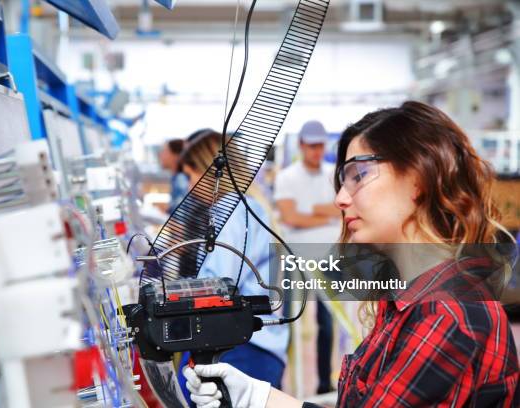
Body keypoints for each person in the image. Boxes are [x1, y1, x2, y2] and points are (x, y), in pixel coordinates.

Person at [183, 101, 519, 407]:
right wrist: (260, 397)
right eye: (343, 181)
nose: (341, 199)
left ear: (419, 178)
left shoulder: (446, 312)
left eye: (359, 175)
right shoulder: (407, 300)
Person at [177, 130, 290, 404]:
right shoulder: (251, 206)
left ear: (207, 172)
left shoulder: (231, 209)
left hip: (243, 349)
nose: (190, 186)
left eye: (191, 175)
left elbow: (219, 285)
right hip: (260, 346)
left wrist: (173, 295)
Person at [274, 120, 340, 394]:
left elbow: (342, 210)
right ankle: (282, 382)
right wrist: (326, 213)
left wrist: (310, 212)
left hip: (329, 258)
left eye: (320, 145)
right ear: (301, 145)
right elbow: (290, 217)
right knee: (289, 319)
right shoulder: (286, 177)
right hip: (296, 258)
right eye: (311, 145)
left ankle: (325, 383)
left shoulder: (334, 173)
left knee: (328, 322)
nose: (316, 150)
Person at [159, 138, 189, 213]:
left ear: (176, 156)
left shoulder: (180, 179)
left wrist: (168, 210)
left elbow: (180, 214)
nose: (160, 155)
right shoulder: (176, 178)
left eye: (165, 151)